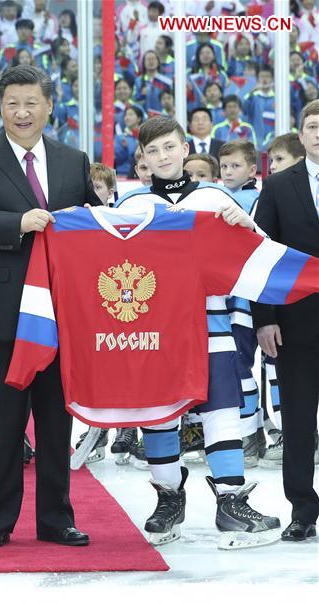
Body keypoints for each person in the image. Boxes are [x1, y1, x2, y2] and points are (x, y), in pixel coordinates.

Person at [0, 65, 100, 549]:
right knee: (2, 421)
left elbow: (95, 225)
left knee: (57, 423)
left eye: (31, 102)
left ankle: (56, 519)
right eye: (12, 103)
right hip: (6, 311)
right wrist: (17, 223)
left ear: (49, 105)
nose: (22, 112)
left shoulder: (74, 160)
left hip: (62, 315)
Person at [116, 116, 281, 550]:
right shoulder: (129, 206)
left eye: (170, 147)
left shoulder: (215, 197)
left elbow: (258, 251)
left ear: (185, 148)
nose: (163, 156)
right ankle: (169, 498)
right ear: (143, 160)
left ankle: (231, 501)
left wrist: (244, 224)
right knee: (161, 412)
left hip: (213, 323)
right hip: (155, 331)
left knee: (221, 409)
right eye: (153, 151)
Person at [252, 100, 319, 542]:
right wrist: (264, 319)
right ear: (301, 133)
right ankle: (302, 509)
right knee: (297, 420)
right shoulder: (277, 188)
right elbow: (260, 257)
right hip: (296, 325)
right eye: (314, 126)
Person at [218, 139, 265, 467]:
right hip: (223, 296)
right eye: (224, 167)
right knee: (232, 367)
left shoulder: (259, 199)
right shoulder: (215, 197)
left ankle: (252, 433)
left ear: (252, 169)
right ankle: (247, 430)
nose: (228, 172)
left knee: (241, 364)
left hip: (245, 298)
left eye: (235, 166)